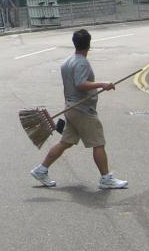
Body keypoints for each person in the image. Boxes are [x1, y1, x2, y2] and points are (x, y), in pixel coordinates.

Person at [30, 29, 128, 190]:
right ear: (89, 44)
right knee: (98, 143)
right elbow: (80, 84)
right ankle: (106, 178)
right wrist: (102, 84)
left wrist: (68, 104)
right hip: (82, 110)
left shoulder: (67, 62)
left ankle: (41, 170)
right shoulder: (82, 62)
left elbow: (68, 87)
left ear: (74, 43)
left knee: (65, 142)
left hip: (71, 107)